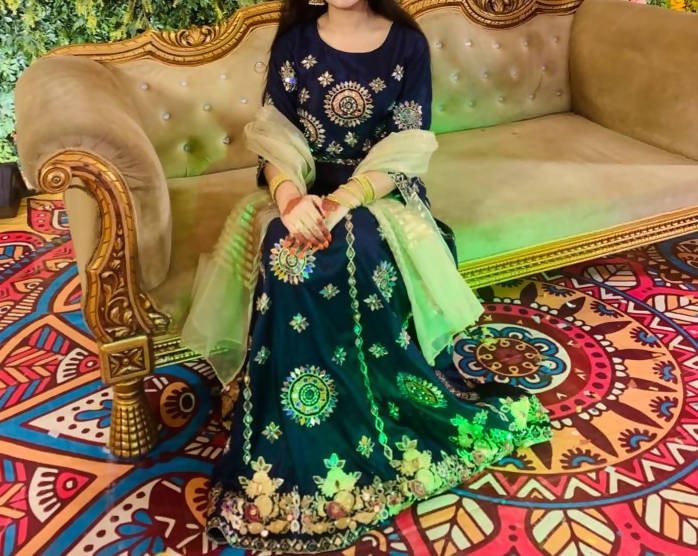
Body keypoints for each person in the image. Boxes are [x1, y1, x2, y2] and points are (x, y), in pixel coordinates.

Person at [181, 0, 552, 552]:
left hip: (379, 193)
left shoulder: (406, 44)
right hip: (301, 192)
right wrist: (291, 200)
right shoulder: (295, 44)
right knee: (287, 252)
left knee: (351, 251)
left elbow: (405, 148)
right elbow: (276, 137)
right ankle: (295, 408)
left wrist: (344, 201)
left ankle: (365, 400)